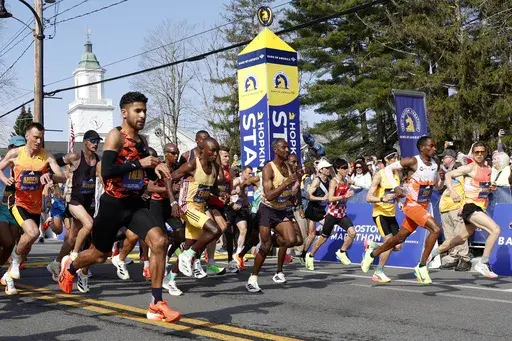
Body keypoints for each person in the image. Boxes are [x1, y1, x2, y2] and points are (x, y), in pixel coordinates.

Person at [57, 91, 181, 323]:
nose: (142, 115)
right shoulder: (116, 136)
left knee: (160, 241)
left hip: (134, 204)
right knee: (99, 254)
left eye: (144, 110)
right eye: (138, 110)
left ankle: (156, 303)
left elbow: (145, 168)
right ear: (125, 113)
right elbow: (107, 170)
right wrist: (139, 163)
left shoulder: (142, 141)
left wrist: (158, 167)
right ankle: (71, 267)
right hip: (113, 205)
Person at [361, 136, 442, 285]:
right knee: (436, 230)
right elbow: (388, 168)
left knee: (398, 239)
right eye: (431, 146)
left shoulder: (434, 165)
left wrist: (440, 178)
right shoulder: (413, 161)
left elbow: (436, 186)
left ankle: (372, 253)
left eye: (435, 146)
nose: (434, 149)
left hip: (422, 205)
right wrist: (396, 186)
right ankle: (422, 266)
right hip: (412, 205)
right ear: (422, 147)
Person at [0, 123, 66, 283]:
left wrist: (50, 176)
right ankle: (14, 261)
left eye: (41, 138)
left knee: (29, 241)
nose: (38, 141)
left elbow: (62, 177)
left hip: (35, 206)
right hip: (18, 203)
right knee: (33, 233)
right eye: (36, 137)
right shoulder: (16, 154)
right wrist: (5, 179)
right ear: (27, 136)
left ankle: (10, 271)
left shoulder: (46, 156)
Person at [429, 142, 500, 278]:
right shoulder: (469, 167)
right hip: (470, 207)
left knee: (460, 239)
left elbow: (480, 187)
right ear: (472, 154)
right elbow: (449, 176)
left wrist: (489, 189)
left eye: (482, 152)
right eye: (476, 152)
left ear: (485, 153)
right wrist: (452, 191)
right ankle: (483, 263)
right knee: (495, 230)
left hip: (480, 206)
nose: (479, 155)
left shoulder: (487, 169)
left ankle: (430, 255)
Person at [246, 139, 302, 292]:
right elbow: (269, 195)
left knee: (291, 240)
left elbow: (290, 190)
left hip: (282, 210)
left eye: (288, 147)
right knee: (265, 246)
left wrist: (292, 195)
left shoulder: (290, 167)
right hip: (267, 210)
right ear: (275, 150)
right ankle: (253, 278)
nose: (287, 149)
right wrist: (286, 184)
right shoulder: (268, 168)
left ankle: (277, 268)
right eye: (283, 147)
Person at [46, 130, 101, 286]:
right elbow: (52, 165)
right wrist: (54, 182)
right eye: (92, 140)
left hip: (87, 203)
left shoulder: (98, 160)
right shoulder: (75, 157)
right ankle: (74, 256)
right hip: (74, 201)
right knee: (89, 224)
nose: (95, 143)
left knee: (72, 238)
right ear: (85, 142)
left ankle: (55, 264)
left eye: (97, 141)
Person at [166, 137, 225, 280]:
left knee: (189, 245)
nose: (216, 154)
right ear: (203, 150)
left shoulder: (215, 168)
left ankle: (170, 279)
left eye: (217, 151)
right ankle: (189, 255)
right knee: (215, 229)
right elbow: (169, 178)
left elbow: (214, 187)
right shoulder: (192, 165)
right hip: (187, 207)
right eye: (212, 150)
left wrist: (221, 194)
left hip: (199, 208)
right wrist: (173, 202)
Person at [305, 158, 355, 271]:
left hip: (341, 213)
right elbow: (331, 198)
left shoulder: (345, 180)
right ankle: (310, 255)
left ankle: (341, 252)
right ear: (338, 169)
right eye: (344, 168)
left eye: (347, 168)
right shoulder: (333, 181)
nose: (346, 170)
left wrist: (349, 191)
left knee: (352, 232)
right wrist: (344, 196)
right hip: (331, 214)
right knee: (323, 238)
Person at [365, 149, 403, 282]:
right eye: (393, 157)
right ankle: (378, 271)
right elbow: (368, 197)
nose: (396, 159)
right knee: (390, 243)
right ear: (387, 160)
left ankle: (373, 245)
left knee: (398, 246)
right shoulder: (379, 175)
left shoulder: (396, 173)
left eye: (397, 156)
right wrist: (382, 199)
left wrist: (398, 202)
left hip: (391, 213)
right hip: (380, 213)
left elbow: (395, 192)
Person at [436, 149, 471, 271]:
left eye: (444, 157)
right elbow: (438, 187)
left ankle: (464, 258)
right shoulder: (446, 172)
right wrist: (440, 178)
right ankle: (453, 257)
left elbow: (467, 189)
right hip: (445, 207)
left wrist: (464, 205)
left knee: (459, 234)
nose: (442, 160)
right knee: (449, 235)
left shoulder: (461, 170)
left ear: (451, 158)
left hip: (456, 206)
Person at [0, 136, 26, 295]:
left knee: (10, 245)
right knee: (7, 240)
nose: (20, 150)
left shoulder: (24, 164)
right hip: (1, 208)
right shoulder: (5, 163)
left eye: (23, 147)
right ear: (10, 148)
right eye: (17, 147)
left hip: (16, 208)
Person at [300, 159, 331, 265]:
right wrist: (321, 199)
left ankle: (311, 250)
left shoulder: (330, 180)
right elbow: (309, 196)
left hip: (322, 210)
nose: (328, 170)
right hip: (312, 209)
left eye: (329, 168)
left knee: (330, 230)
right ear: (321, 170)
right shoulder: (316, 180)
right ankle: (304, 254)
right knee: (312, 234)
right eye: (326, 168)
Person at [230, 165, 260, 271]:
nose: (251, 175)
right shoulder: (237, 181)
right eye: (249, 173)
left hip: (241, 210)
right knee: (223, 231)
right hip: (230, 208)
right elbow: (226, 192)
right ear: (243, 173)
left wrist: (247, 205)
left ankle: (238, 254)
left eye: (251, 173)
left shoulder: (247, 184)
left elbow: (244, 196)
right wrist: (233, 195)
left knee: (244, 230)